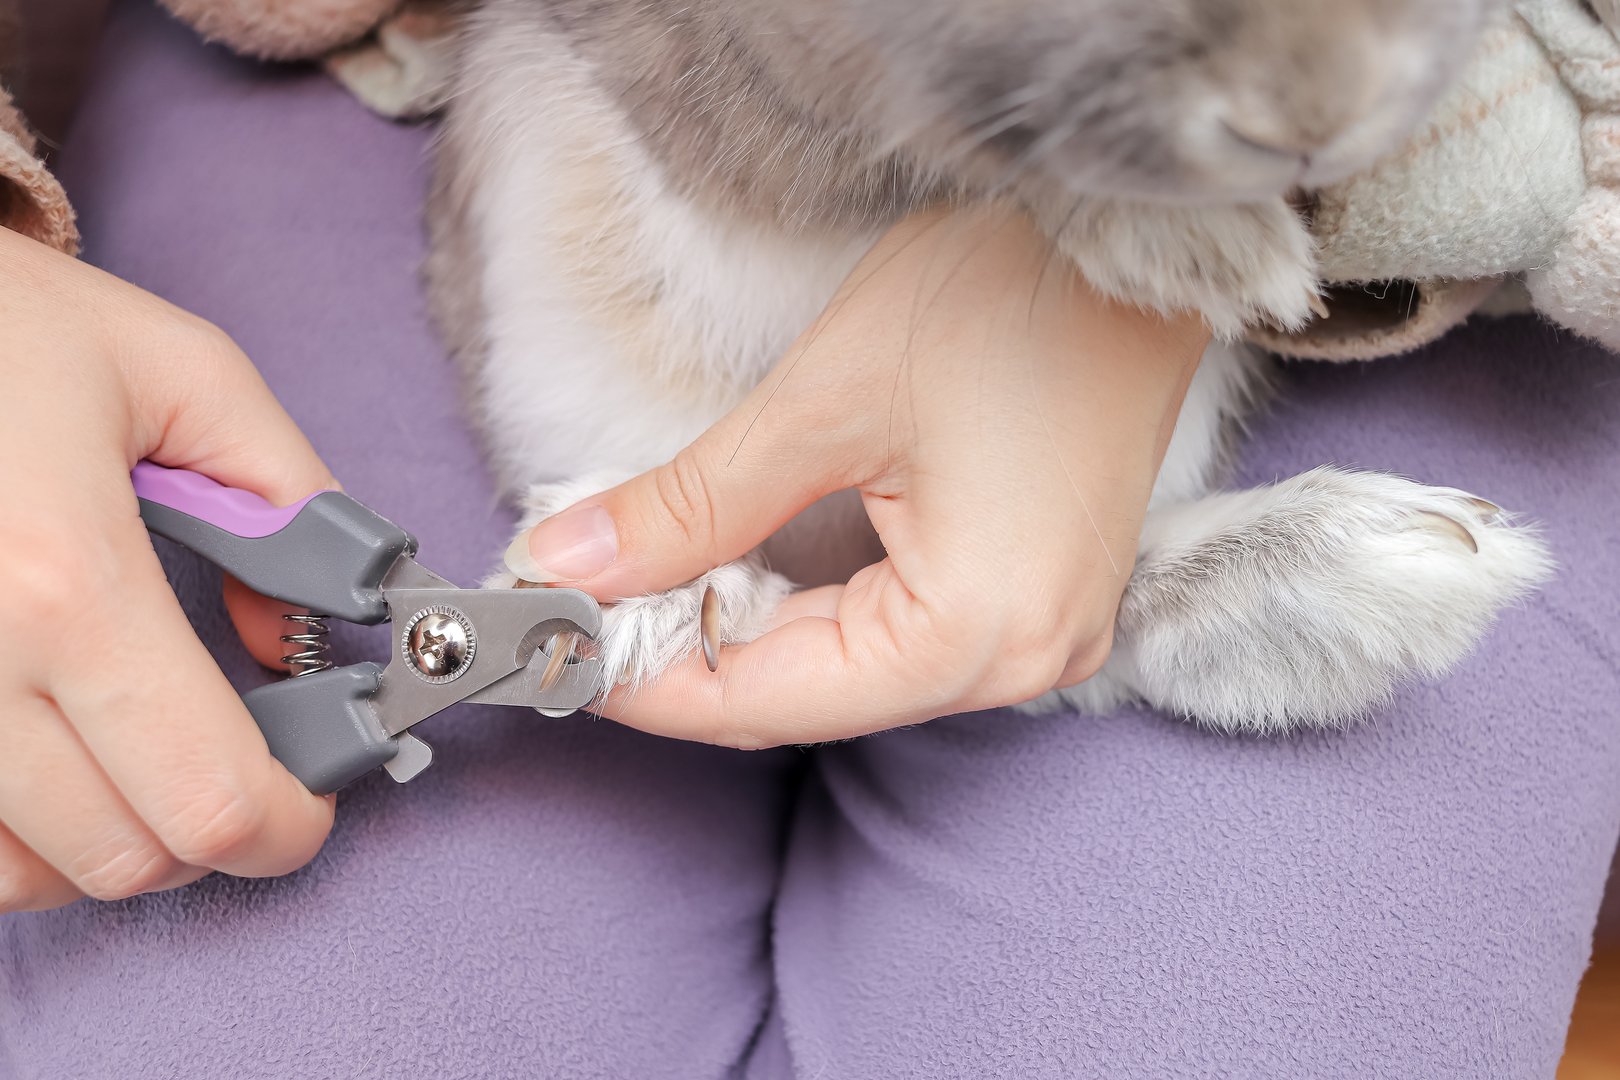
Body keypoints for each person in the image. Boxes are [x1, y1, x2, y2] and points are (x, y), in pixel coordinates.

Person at [1, 5, 1614, 1078]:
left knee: (1224, 1018)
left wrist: (1171, 217)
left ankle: (1147, 590)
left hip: (1425, 218)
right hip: (410, 82)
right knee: (300, 1026)